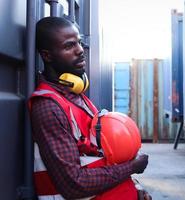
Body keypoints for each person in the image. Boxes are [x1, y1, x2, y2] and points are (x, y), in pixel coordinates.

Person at [29, 16, 151, 200]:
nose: (80, 50)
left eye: (79, 42)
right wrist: (132, 167)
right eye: (69, 46)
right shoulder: (47, 106)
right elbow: (73, 184)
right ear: (47, 55)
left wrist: (134, 187)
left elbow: (102, 159)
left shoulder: (79, 98)